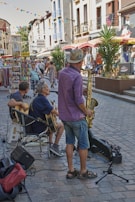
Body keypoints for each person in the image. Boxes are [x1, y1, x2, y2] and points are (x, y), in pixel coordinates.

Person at [58, 49, 97, 179]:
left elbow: (68, 92)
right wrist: (87, 112)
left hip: (64, 116)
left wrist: (81, 91)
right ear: (80, 62)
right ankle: (83, 171)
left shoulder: (62, 73)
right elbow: (78, 100)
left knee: (69, 142)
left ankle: (70, 170)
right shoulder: (77, 76)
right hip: (76, 117)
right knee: (83, 145)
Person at [29, 79, 64, 157]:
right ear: (43, 89)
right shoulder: (42, 99)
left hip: (35, 124)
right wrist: (62, 116)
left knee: (51, 122)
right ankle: (55, 145)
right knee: (61, 125)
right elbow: (52, 111)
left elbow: (48, 110)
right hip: (39, 127)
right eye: (47, 88)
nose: (49, 89)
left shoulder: (39, 98)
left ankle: (50, 145)